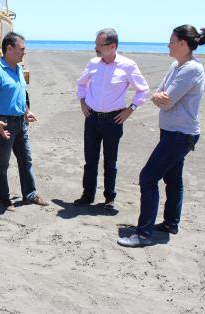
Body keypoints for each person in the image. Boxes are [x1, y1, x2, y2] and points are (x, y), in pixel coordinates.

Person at [118, 25, 205, 247]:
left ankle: (144, 234)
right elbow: (159, 93)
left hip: (181, 134)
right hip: (171, 132)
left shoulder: (192, 69)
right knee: (172, 178)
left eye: (171, 40)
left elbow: (167, 102)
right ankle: (170, 223)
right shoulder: (176, 65)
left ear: (182, 44)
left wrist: (160, 98)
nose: (168, 44)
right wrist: (160, 97)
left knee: (147, 177)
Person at [75, 28, 149, 209]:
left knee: (110, 161)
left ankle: (109, 198)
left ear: (112, 46)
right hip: (91, 118)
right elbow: (81, 83)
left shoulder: (128, 65)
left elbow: (143, 90)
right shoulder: (93, 63)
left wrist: (130, 109)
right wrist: (83, 102)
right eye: (96, 44)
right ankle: (87, 195)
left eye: (99, 45)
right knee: (90, 160)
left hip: (113, 120)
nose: (96, 48)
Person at [0, 32, 49, 211]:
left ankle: (30, 194)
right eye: (22, 49)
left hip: (20, 122)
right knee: (3, 163)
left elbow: (19, 94)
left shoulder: (18, 68)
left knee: (26, 160)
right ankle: (4, 198)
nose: (24, 52)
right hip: (4, 124)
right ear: (9, 49)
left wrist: (26, 111)